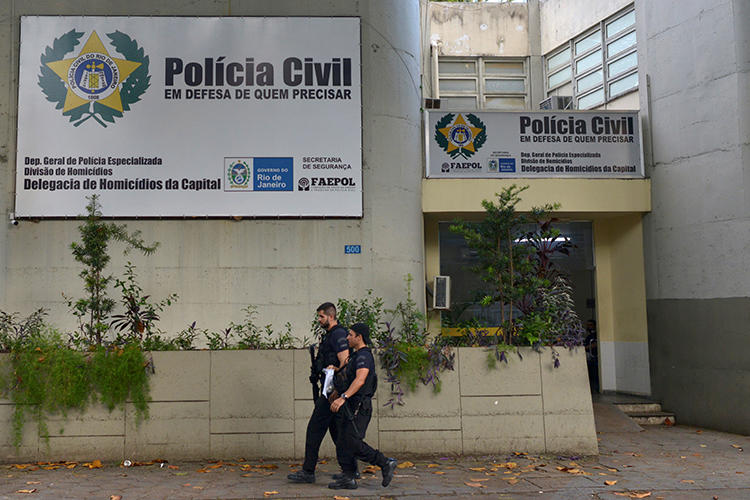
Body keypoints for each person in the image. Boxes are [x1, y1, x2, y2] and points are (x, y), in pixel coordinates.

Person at [288, 302, 356, 483]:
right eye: (319, 316)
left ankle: (308, 471)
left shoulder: (338, 334)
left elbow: (345, 361)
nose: (319, 320)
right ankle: (351, 470)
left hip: (331, 391)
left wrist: (335, 391)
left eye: (321, 316)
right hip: (329, 389)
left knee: (314, 430)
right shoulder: (331, 335)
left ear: (331, 316)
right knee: (337, 432)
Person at [327, 323, 398, 490]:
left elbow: (360, 380)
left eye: (350, 335)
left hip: (359, 406)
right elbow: (348, 376)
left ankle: (385, 462)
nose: (347, 338)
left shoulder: (364, 356)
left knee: (352, 441)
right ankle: (348, 476)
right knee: (342, 441)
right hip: (350, 405)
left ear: (359, 337)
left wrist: (343, 397)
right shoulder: (355, 356)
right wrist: (336, 374)